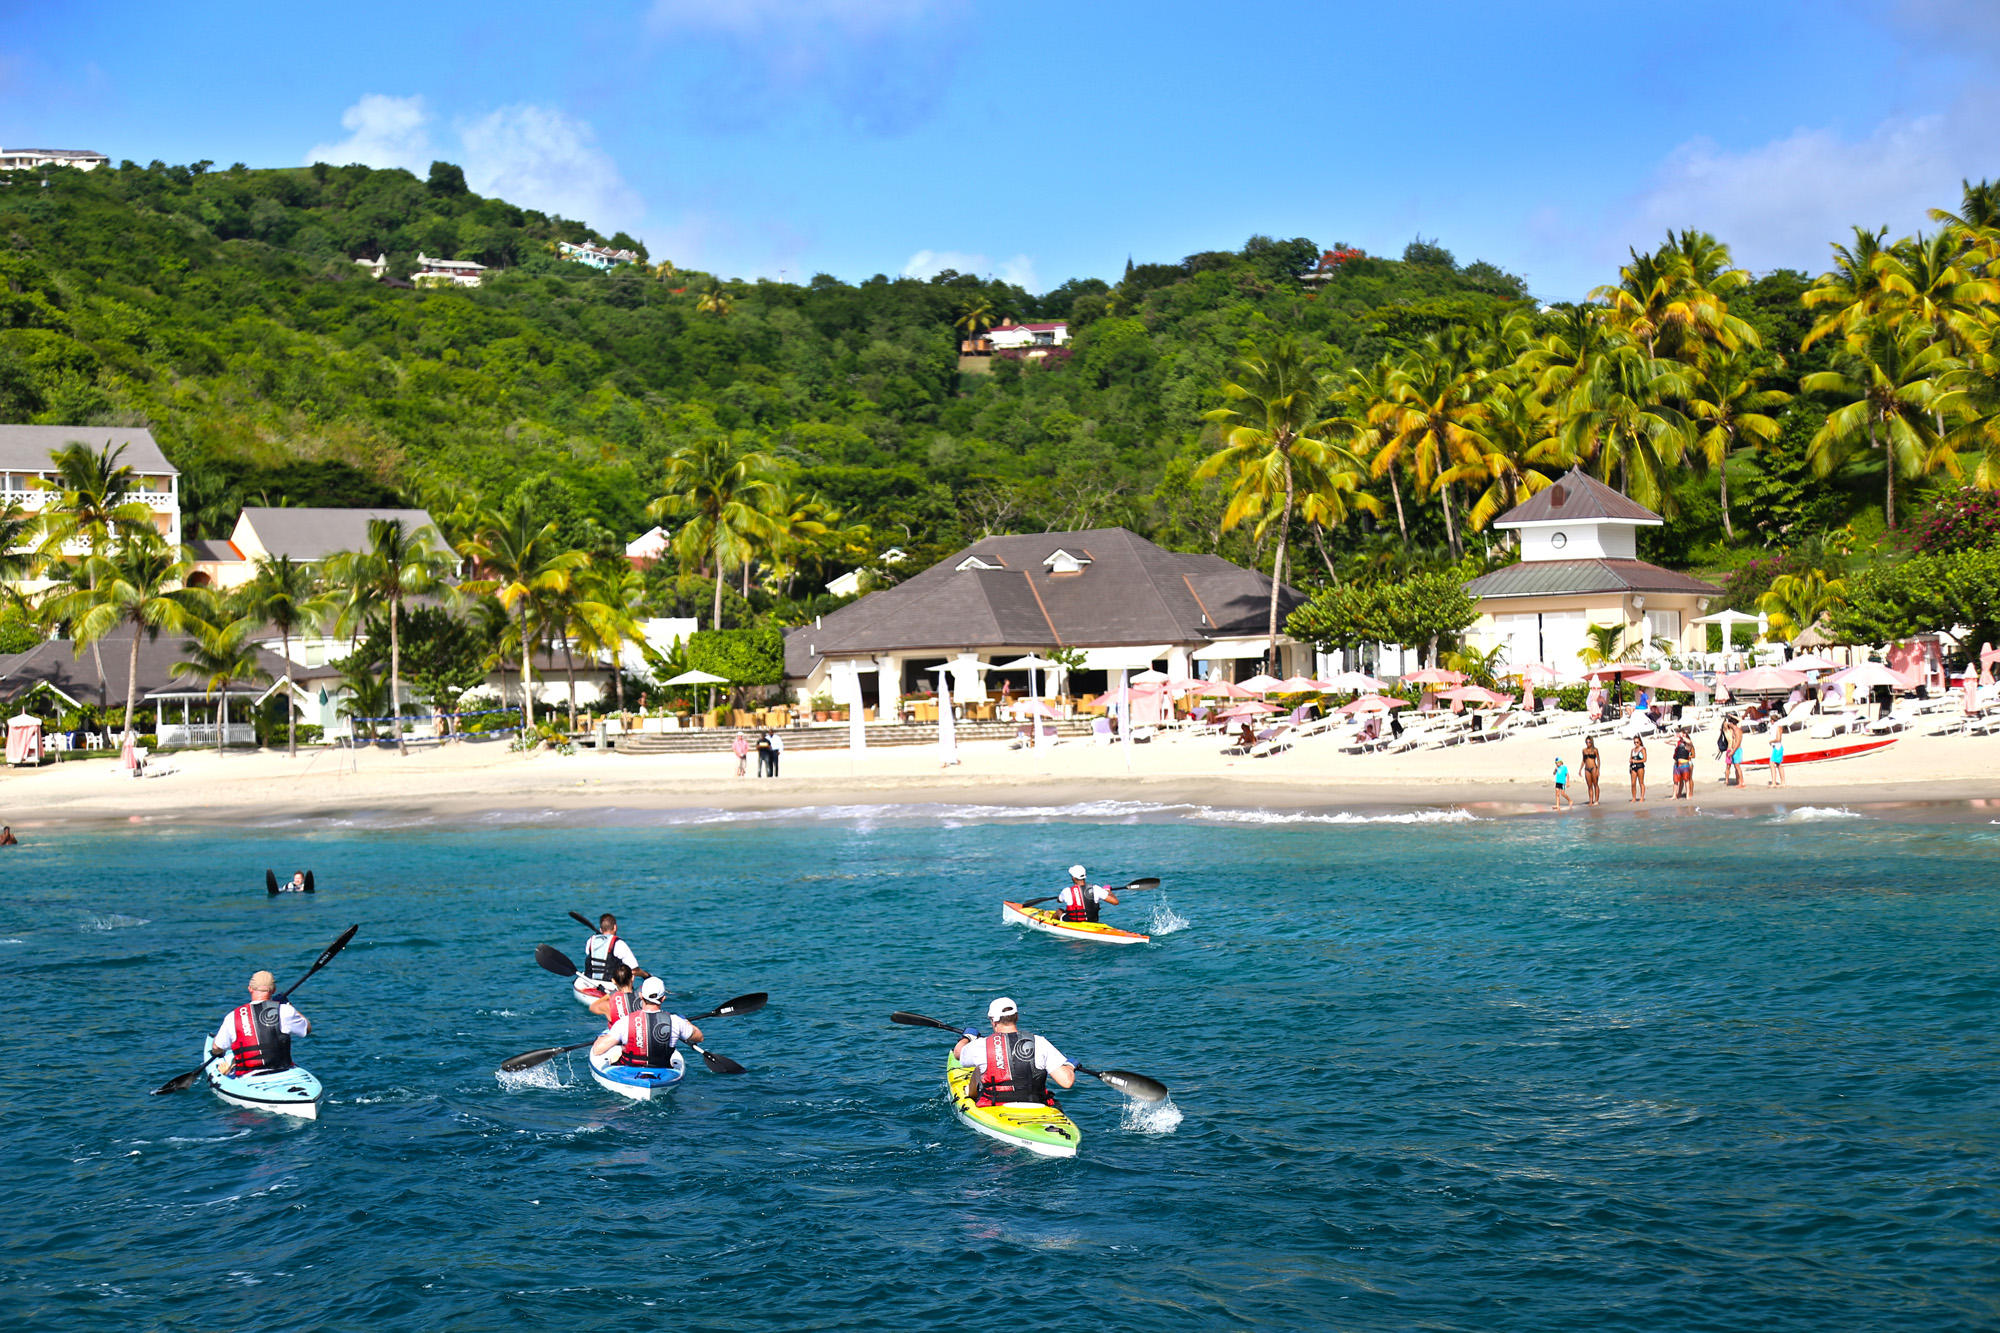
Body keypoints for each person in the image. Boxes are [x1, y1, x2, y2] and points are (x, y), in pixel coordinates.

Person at [951, 997, 1076, 1107]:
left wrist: (966, 1038)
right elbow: (1067, 1082)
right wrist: (1069, 1066)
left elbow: (957, 1053)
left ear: (993, 1020)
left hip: (994, 1105)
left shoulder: (980, 1045)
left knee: (979, 1068)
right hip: (1036, 1104)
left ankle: (971, 1094)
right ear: (1017, 1017)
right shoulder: (1040, 1042)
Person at [209, 969, 310, 1075]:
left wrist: (218, 1053)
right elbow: (306, 1028)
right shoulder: (285, 1010)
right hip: (283, 1070)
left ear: (250, 989)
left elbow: (217, 1048)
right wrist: (287, 1005)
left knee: (231, 1061)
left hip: (247, 1075)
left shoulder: (232, 1016)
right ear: (274, 990)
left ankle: (228, 1070)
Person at [590, 977, 702, 1070]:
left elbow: (597, 1050)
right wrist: (685, 1021)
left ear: (641, 996)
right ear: (663, 998)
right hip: (662, 1070)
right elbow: (699, 1038)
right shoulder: (676, 1021)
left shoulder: (625, 1022)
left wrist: (602, 1038)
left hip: (629, 1071)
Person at [578, 913, 640, 996]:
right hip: (611, 985)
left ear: (601, 929)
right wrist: (646, 975)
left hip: (590, 982)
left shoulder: (590, 941)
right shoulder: (619, 944)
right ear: (615, 927)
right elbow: (634, 969)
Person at [587, 960, 649, 1025]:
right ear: (632, 978)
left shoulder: (608, 1006)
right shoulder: (643, 998)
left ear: (613, 981)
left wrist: (609, 995)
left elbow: (592, 1007)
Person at [1672, 729, 1694, 799]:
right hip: (1678, 763)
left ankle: (1690, 792)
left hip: (1687, 762)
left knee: (1688, 779)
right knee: (1679, 780)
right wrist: (1675, 737)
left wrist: (1682, 737)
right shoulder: (1678, 743)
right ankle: (1678, 793)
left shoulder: (1689, 744)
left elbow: (1693, 755)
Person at [1581, 736, 1602, 806]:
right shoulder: (1584, 750)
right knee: (1589, 785)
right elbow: (1583, 760)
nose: (1588, 743)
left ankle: (1596, 800)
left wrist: (1598, 769)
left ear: (1592, 742)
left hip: (1593, 768)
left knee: (1595, 784)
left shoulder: (1595, 750)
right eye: (1587, 742)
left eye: (1589, 742)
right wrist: (1580, 769)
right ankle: (1590, 801)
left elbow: (1598, 760)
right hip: (1587, 768)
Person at [1629, 734, 1648, 802]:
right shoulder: (1633, 750)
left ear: (1640, 742)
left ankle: (1642, 797)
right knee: (1633, 783)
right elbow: (1631, 758)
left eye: (1637, 742)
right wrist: (1630, 764)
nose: (1636, 744)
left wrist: (1636, 761)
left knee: (1641, 782)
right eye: (1635, 742)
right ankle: (1634, 797)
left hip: (1640, 767)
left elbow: (1644, 759)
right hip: (1633, 767)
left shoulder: (1642, 749)